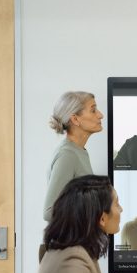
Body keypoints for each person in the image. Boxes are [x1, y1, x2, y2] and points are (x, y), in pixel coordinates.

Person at [43, 91, 102, 221]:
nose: (100, 115)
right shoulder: (67, 155)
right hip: (69, 242)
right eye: (93, 110)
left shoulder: (79, 151)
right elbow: (49, 212)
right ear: (75, 119)